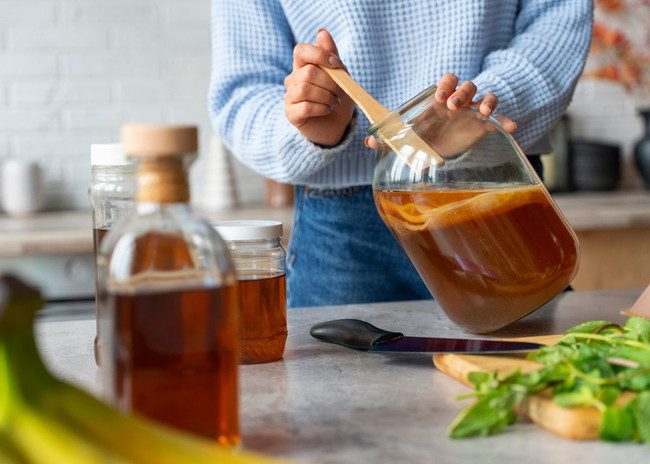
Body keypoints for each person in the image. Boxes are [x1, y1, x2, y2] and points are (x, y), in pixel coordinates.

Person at [208, 1, 593, 308]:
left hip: (495, 186)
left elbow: (558, 20)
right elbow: (242, 93)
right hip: (343, 234)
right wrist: (312, 126)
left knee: (530, 386)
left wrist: (479, 109)